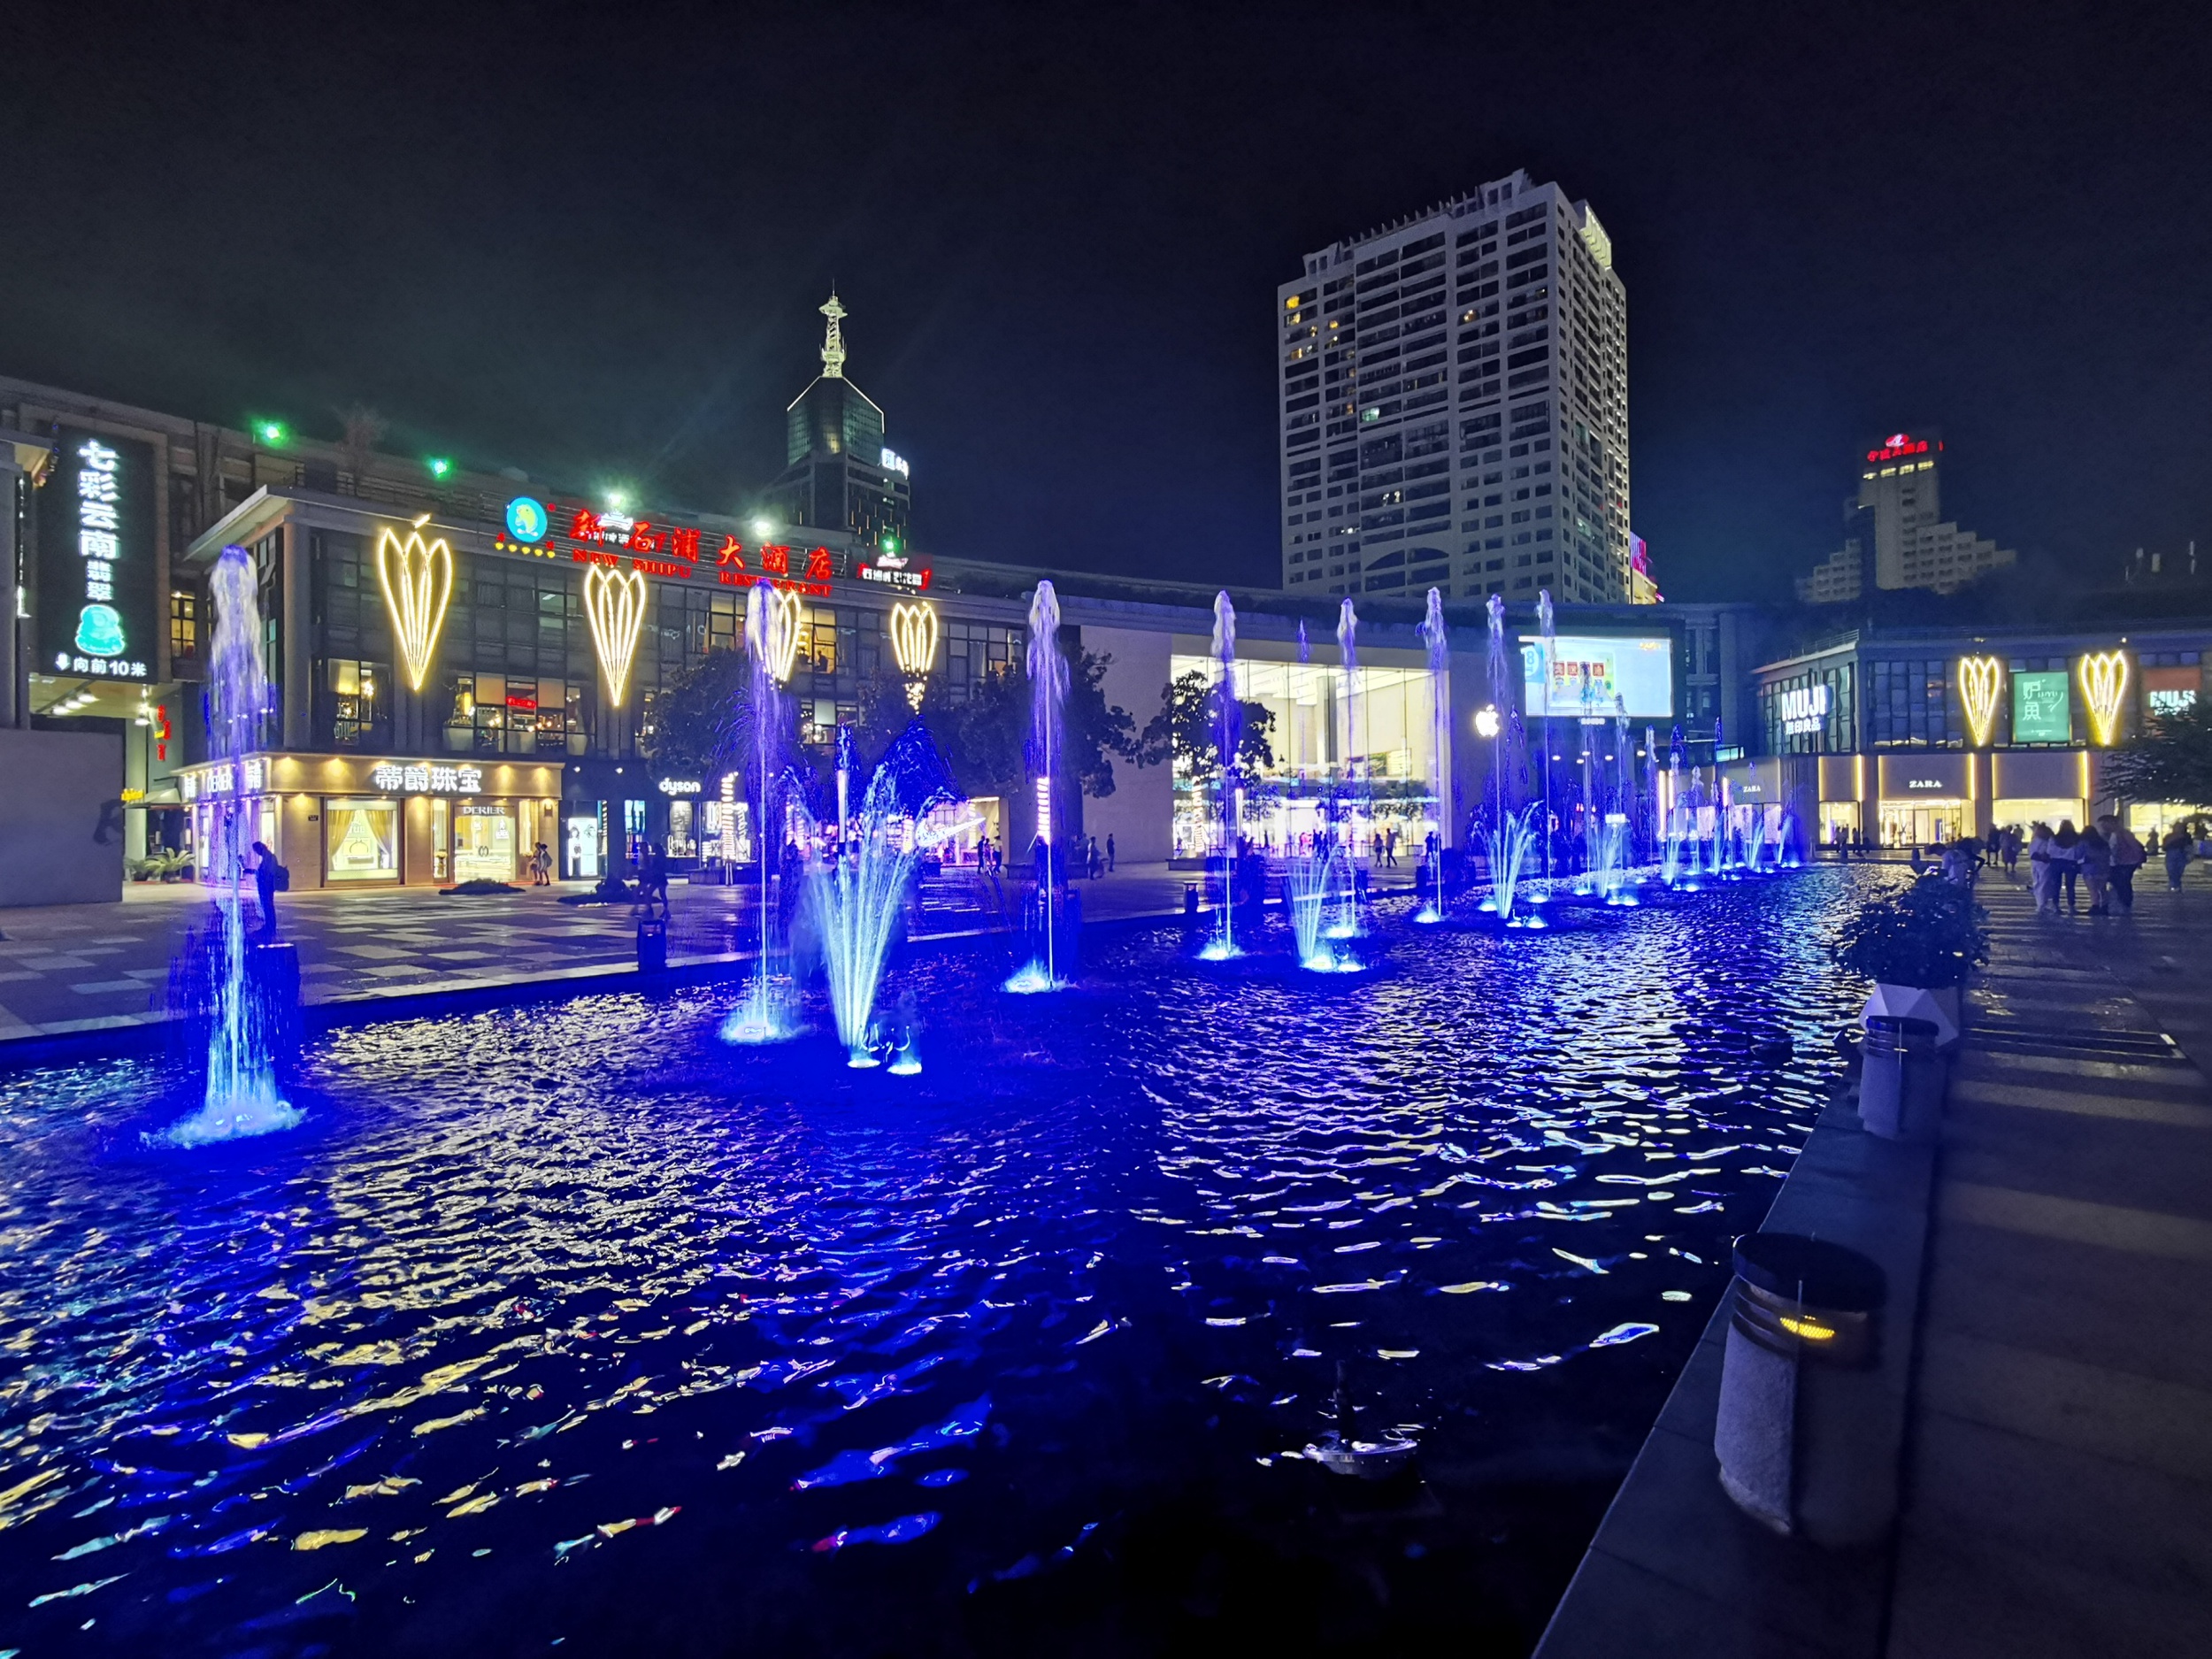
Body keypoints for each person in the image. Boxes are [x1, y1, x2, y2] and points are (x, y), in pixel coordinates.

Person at [2101, 815, 2144, 912]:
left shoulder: (2123, 834)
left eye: (2105, 824)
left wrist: (2138, 860)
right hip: (2120, 863)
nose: (2103, 826)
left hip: (2125, 862)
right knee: (2121, 883)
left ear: (2112, 823)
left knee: (2123, 883)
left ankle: (2125, 903)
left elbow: (2135, 847)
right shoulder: (2113, 834)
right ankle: (2123, 903)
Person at [250, 840, 287, 937]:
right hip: (265, 887)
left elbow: (270, 873)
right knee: (267, 907)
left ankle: (270, 928)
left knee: (268, 907)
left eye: (257, 850)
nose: (257, 853)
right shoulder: (267, 857)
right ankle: (269, 926)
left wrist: (260, 875)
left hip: (267, 887)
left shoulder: (270, 857)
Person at [2078, 823, 2112, 914]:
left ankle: (2095, 906)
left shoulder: (2083, 843)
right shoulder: (2103, 843)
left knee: (2093, 889)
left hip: (2089, 869)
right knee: (2103, 888)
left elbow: (2078, 854)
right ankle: (2105, 906)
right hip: (2103, 868)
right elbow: (2109, 854)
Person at [2051, 819, 2083, 911]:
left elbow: (2050, 851)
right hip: (2071, 862)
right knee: (2070, 885)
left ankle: (2055, 905)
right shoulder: (2077, 838)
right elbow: (2079, 852)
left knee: (2056, 885)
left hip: (2056, 862)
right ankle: (2071, 906)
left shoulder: (2054, 838)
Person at [2028, 822, 2058, 915]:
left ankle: (2042, 904)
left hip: (2038, 865)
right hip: (2043, 865)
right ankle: (2042, 904)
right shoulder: (2045, 841)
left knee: (2040, 884)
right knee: (2043, 885)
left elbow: (2032, 854)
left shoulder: (2036, 841)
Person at [2164, 823, 2193, 891]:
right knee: (2172, 869)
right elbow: (2165, 846)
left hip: (2181, 853)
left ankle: (2175, 884)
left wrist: (2189, 854)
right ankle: (2174, 884)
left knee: (2178, 870)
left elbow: (2189, 846)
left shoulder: (2186, 836)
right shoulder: (2169, 836)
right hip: (2172, 853)